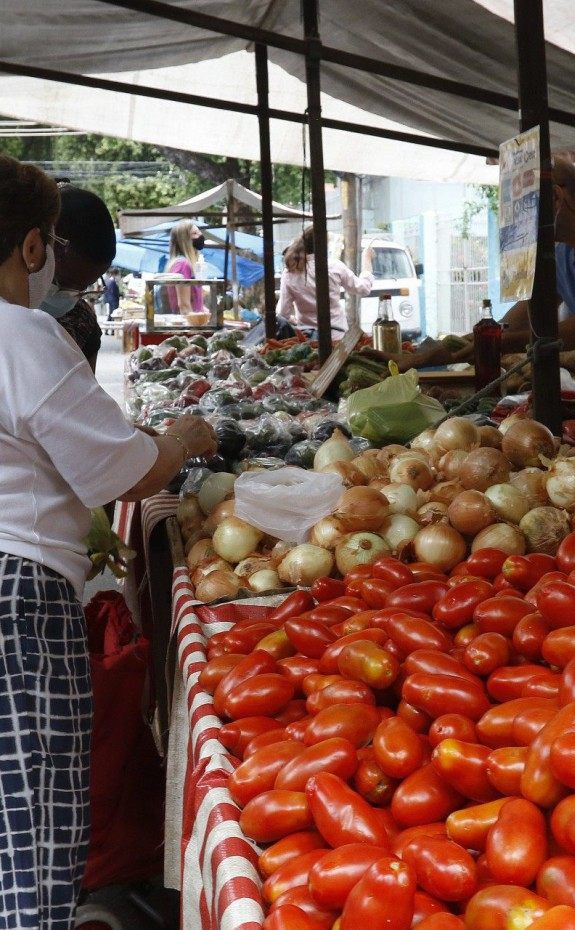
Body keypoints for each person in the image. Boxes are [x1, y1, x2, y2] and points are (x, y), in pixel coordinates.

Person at [0, 155, 217, 930]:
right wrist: (182, 440)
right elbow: (123, 474)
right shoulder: (23, 335)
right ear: (33, 246)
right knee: (34, 818)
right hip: (19, 598)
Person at [366, 157, 575, 380]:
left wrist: (490, 347)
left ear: (555, 198)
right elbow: (518, 320)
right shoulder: (561, 254)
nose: (517, 224)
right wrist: (435, 353)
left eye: (520, 211)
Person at [40, 184, 116, 372]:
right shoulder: (9, 309)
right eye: (63, 284)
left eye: (82, 290)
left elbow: (87, 386)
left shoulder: (81, 321)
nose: (69, 297)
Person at [276, 226, 375, 338]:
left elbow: (283, 313)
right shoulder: (334, 266)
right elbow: (363, 289)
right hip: (336, 336)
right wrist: (367, 259)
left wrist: (294, 319)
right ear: (324, 245)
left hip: (307, 338)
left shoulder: (290, 272)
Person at [165, 219, 206, 314]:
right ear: (185, 240)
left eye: (199, 232)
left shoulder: (183, 264)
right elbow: (184, 305)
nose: (200, 235)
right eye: (195, 233)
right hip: (187, 321)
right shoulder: (183, 265)